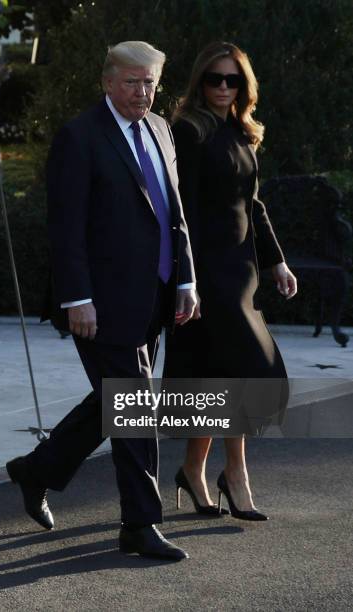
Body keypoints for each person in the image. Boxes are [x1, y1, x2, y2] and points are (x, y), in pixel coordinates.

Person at [6, 41, 197, 561]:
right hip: (99, 302)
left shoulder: (160, 129)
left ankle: (37, 469)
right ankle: (139, 524)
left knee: (115, 403)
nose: (143, 92)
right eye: (132, 82)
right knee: (135, 405)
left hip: (155, 294)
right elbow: (65, 229)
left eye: (151, 83)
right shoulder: (80, 137)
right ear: (108, 82)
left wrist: (185, 280)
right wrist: (77, 298)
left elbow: (173, 212)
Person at [163, 42, 297, 521]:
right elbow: (184, 211)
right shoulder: (189, 131)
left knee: (221, 376)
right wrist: (188, 279)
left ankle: (195, 471)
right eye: (214, 79)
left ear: (244, 85)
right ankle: (232, 476)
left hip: (241, 273)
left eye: (232, 80)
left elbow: (252, 204)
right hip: (208, 273)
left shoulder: (242, 131)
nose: (222, 87)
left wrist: (276, 262)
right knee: (239, 372)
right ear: (200, 82)